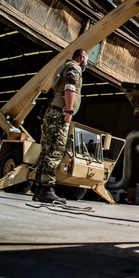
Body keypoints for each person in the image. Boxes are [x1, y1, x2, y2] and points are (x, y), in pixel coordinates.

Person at [32, 48, 88, 204]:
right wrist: (69, 111)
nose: (86, 63)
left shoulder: (63, 67)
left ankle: (39, 190)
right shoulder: (74, 68)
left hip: (51, 113)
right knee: (55, 151)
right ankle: (47, 190)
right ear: (82, 57)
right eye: (86, 59)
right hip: (59, 114)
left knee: (46, 151)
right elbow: (70, 88)